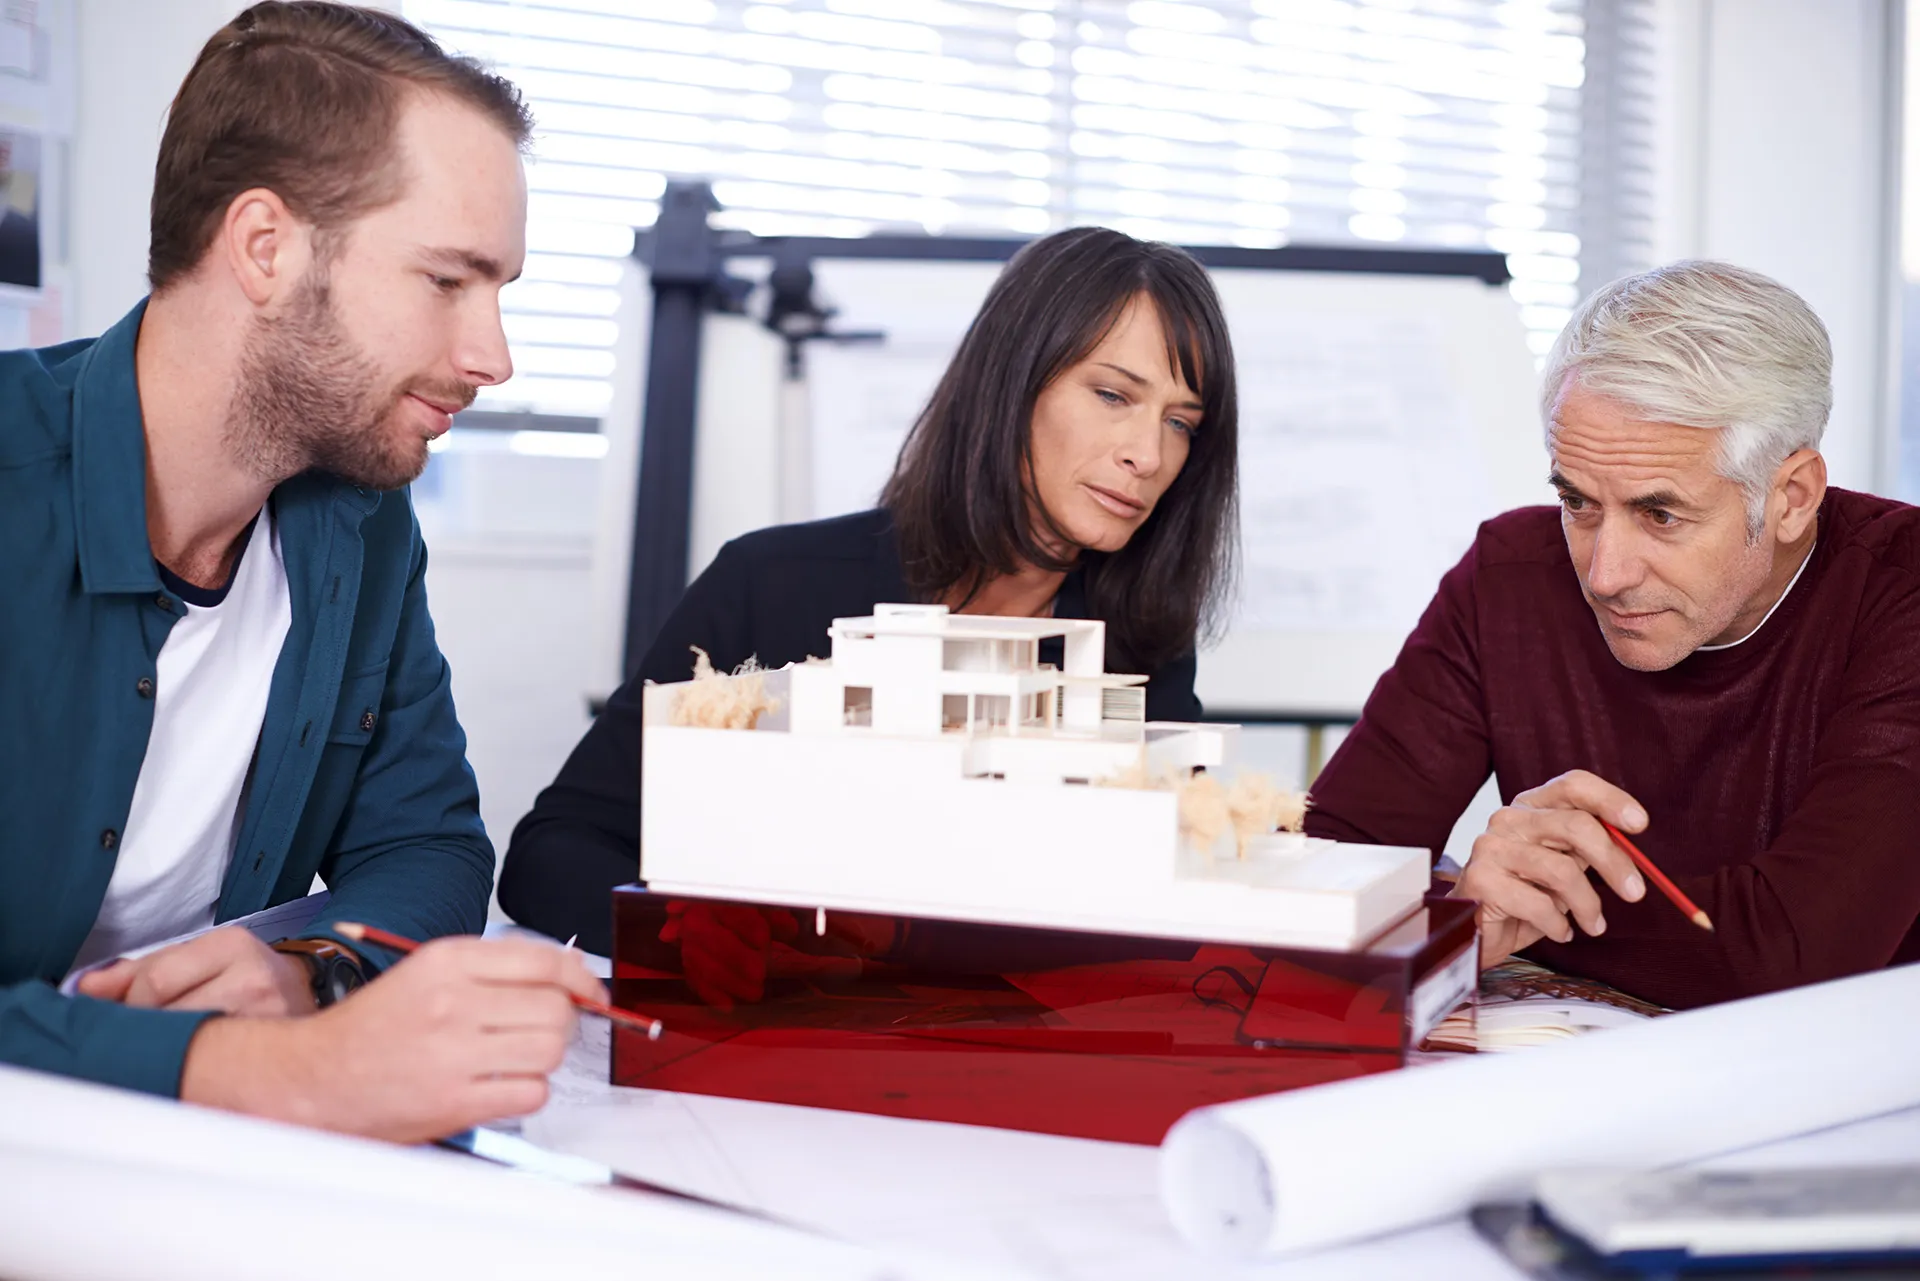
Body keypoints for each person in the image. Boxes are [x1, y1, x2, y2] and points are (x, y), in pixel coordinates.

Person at [0, 2, 601, 1143]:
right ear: (266, 247)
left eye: (502, 292)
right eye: (446, 282)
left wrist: (311, 970)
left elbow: (427, 847)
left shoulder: (361, 525)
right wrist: (271, 1069)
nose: (494, 358)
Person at [500, 226, 1242, 956]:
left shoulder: (1142, 644)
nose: (1148, 453)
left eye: (1180, 423)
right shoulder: (774, 585)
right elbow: (554, 850)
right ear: (1012, 382)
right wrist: (683, 930)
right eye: (1113, 394)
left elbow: (1161, 902)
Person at [1305, 260, 1920, 1010]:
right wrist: (1463, 912)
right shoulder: (1509, 575)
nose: (1604, 572)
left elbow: (1794, 952)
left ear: (1791, 497)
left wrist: (1503, 912)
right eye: (1579, 502)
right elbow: (1323, 875)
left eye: (1660, 514)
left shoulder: (1902, 590)